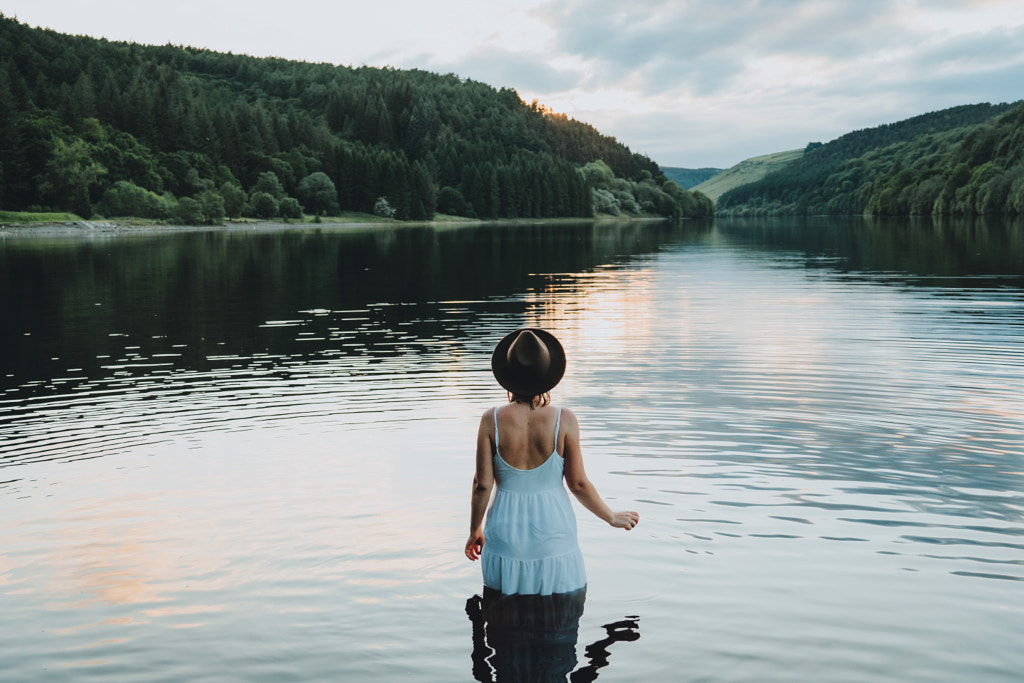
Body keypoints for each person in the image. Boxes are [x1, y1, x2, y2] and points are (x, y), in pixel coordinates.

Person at [465, 328, 639, 596]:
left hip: (505, 529)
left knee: (503, 617)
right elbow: (578, 484)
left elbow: (482, 484)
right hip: (553, 529)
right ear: (549, 375)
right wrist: (611, 517)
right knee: (560, 615)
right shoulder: (564, 420)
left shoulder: (491, 420)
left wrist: (475, 528)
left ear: (507, 376)